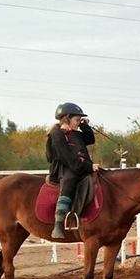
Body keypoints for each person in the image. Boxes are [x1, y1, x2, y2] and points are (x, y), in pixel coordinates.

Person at [46, 102, 98, 239]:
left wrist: (84, 126)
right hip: (65, 168)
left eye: (80, 120)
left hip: (79, 166)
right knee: (70, 179)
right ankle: (58, 223)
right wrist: (88, 167)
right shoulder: (56, 134)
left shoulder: (76, 133)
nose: (78, 122)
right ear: (67, 118)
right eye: (76, 120)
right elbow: (68, 160)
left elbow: (90, 139)